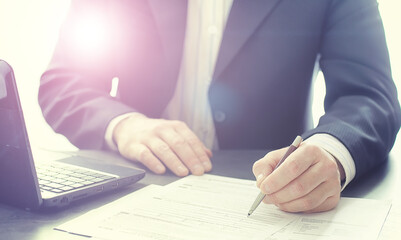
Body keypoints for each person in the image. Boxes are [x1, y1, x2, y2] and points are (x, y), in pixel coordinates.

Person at [39, 0, 401, 213]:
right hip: (131, 194)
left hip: (268, 200)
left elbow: (369, 95)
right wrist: (123, 124)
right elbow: (65, 79)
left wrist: (328, 151)